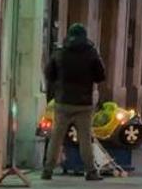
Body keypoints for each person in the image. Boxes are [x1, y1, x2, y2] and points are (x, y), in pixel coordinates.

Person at [42, 23, 107, 181]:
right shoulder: (91, 53)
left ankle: (48, 170)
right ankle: (90, 171)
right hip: (83, 103)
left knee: (56, 138)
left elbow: (49, 73)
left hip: (63, 101)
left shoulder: (60, 52)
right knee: (85, 139)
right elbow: (100, 75)